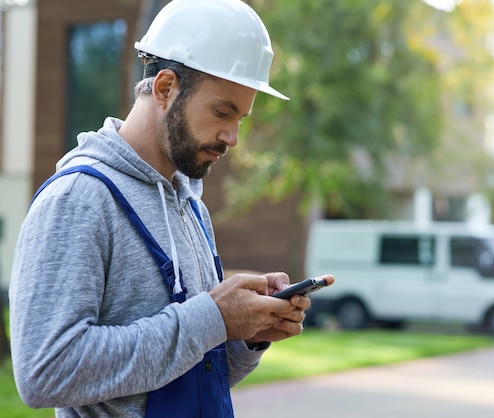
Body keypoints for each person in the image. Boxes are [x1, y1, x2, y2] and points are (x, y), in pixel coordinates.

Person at [8, 0, 334, 416]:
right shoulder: (79, 200)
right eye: (222, 112)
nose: (232, 137)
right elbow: (44, 374)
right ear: (165, 88)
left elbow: (183, 372)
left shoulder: (191, 207)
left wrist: (246, 334)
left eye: (241, 119)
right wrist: (211, 317)